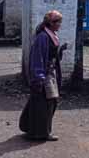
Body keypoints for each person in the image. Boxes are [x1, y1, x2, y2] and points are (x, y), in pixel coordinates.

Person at [19, 10, 68, 141]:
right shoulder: (43, 37)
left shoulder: (50, 34)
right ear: (50, 23)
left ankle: (34, 130)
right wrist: (38, 77)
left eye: (60, 22)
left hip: (50, 73)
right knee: (46, 102)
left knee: (44, 102)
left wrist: (60, 50)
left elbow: (51, 55)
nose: (59, 24)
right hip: (44, 75)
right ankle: (41, 133)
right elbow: (38, 57)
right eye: (57, 22)